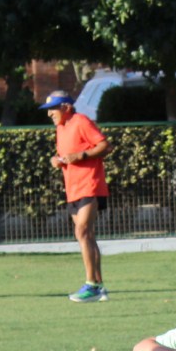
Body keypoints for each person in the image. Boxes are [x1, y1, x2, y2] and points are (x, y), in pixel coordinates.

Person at [40, 90, 114, 303]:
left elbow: (104, 145)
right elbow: (68, 154)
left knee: (82, 231)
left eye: (52, 109)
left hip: (89, 184)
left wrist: (80, 155)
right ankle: (98, 286)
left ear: (66, 107)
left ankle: (91, 284)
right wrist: (58, 160)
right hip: (73, 188)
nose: (49, 114)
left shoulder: (80, 121)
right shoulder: (61, 128)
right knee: (87, 235)